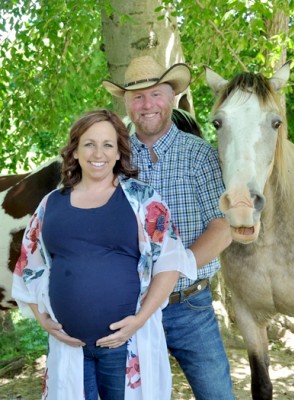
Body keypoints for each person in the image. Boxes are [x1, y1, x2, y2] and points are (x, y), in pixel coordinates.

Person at [11, 109, 197, 399]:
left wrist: (139, 319)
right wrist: (40, 316)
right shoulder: (51, 204)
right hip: (69, 345)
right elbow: (28, 266)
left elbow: (170, 263)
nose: (98, 153)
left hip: (125, 343)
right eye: (89, 143)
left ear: (120, 152)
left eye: (107, 144)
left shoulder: (143, 200)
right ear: (74, 151)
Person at [102, 56, 234, 399]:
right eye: (137, 97)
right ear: (127, 104)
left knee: (217, 394)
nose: (147, 105)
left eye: (155, 94)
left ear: (172, 97)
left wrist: (173, 269)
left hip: (190, 306)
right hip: (128, 307)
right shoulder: (113, 159)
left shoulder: (200, 155)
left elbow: (222, 228)